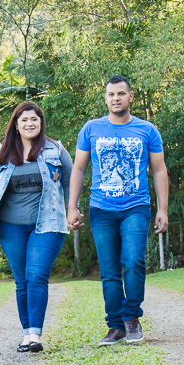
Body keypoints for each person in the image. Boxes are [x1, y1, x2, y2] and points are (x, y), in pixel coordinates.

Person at [67, 75, 168, 346]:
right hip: (101, 209)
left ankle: (131, 318)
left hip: (137, 207)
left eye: (121, 93)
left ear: (130, 97)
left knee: (134, 261)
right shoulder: (91, 129)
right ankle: (115, 326)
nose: (116, 98)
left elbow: (159, 170)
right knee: (109, 271)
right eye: (111, 94)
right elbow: (78, 168)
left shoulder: (147, 130)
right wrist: (72, 207)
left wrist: (163, 209)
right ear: (105, 98)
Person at [0, 101, 73, 353]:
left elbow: (70, 183)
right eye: (24, 120)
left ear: (41, 123)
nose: (30, 123)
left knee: (37, 275)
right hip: (11, 227)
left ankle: (35, 335)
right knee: (22, 281)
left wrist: (73, 210)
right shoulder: (2, 155)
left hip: (49, 223)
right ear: (16, 125)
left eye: (35, 119)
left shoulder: (56, 150)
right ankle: (25, 334)